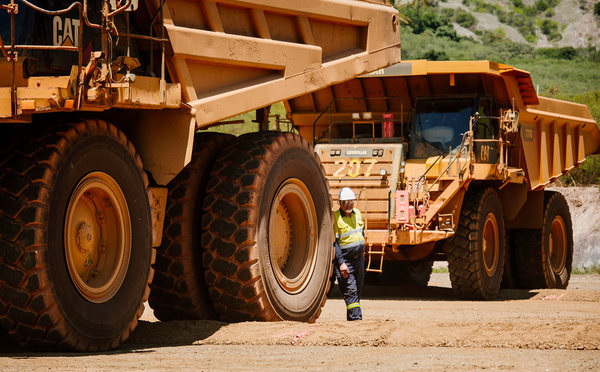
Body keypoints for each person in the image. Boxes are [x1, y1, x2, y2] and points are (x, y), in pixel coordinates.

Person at [333, 187, 365, 321]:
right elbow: (335, 243)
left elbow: (361, 233)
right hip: (346, 262)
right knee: (350, 292)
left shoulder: (357, 213)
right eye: (345, 202)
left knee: (357, 293)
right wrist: (341, 263)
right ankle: (357, 321)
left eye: (351, 201)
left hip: (359, 261)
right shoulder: (335, 217)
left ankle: (351, 321)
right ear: (339, 203)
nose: (349, 204)